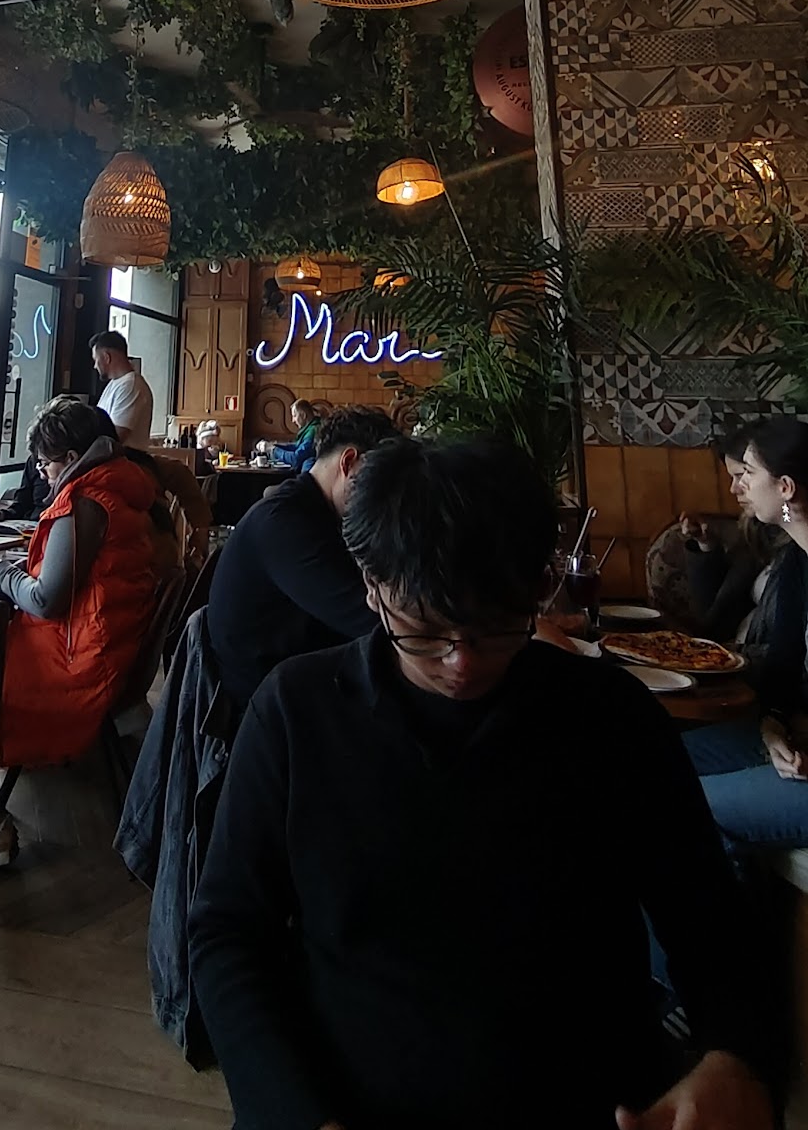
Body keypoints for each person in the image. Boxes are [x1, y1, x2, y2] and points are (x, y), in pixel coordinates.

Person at [189, 437, 778, 1130]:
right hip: (350, 1101)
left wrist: (734, 1059)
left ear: (538, 590)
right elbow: (229, 931)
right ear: (371, 586)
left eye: (496, 629)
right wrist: (293, 1113)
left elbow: (709, 921)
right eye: (423, 631)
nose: (460, 663)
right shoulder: (297, 712)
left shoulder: (611, 718)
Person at [0, 395, 161, 876]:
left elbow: (46, 600)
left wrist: (2, 572)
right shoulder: (124, 487)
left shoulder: (83, 502)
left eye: (45, 462)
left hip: (75, 663)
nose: (42, 472)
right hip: (107, 652)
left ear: (70, 458)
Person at [207, 406, 394, 713]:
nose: (383, 499)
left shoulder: (309, 509)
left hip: (294, 676)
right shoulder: (286, 523)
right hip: (264, 707)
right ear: (349, 462)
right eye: (381, 482)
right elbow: (370, 619)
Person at [683, 417, 808, 849]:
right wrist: (774, 728)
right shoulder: (796, 564)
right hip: (795, 739)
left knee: (682, 805)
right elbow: (783, 671)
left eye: (748, 473)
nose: (738, 487)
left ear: (785, 487)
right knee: (655, 760)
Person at [679, 425, 786, 645]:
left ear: (784, 482)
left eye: (743, 475)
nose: (734, 489)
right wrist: (707, 545)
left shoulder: (796, 543)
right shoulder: (760, 531)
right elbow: (717, 615)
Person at [91, 331, 154, 449]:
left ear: (106, 357)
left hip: (127, 459)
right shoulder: (115, 384)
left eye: (96, 360)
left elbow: (115, 437)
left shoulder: (131, 386)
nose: (95, 366)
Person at [270, 398, 318, 473]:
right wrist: (273, 446)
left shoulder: (313, 431)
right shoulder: (310, 429)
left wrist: (274, 450)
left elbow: (296, 459)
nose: (293, 420)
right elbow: (296, 447)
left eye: (295, 416)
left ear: (303, 415)